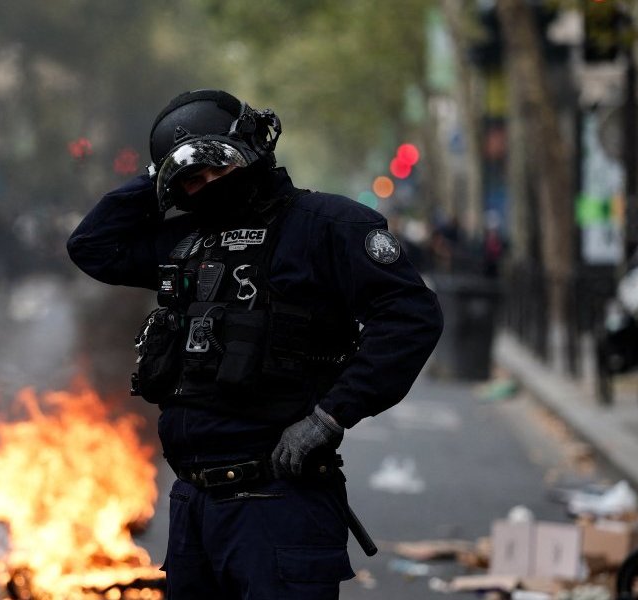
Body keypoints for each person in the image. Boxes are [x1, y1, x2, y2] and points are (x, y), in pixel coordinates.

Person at [67, 89, 443, 598]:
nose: (209, 184)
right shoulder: (186, 241)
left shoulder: (326, 226)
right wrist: (161, 172)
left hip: (279, 503)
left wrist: (331, 416)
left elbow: (411, 317)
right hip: (194, 508)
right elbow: (92, 246)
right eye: (193, 180)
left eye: (218, 166)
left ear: (254, 149)